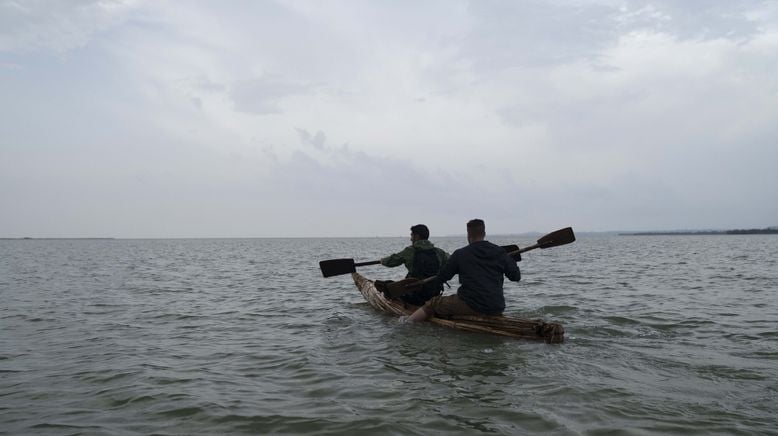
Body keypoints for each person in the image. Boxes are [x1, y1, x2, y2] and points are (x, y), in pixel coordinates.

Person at [407, 219, 521, 322]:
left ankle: (405, 323)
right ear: (484, 234)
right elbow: (516, 277)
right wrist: (510, 260)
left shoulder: (460, 254)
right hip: (497, 306)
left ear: (468, 235)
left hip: (471, 305)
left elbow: (442, 277)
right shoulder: (500, 252)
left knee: (432, 304)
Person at [378, 224, 449, 306]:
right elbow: (452, 262)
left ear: (417, 236)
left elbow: (391, 261)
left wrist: (382, 261)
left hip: (415, 296)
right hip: (434, 294)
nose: (410, 239)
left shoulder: (410, 251)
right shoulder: (439, 252)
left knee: (386, 285)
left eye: (411, 235)